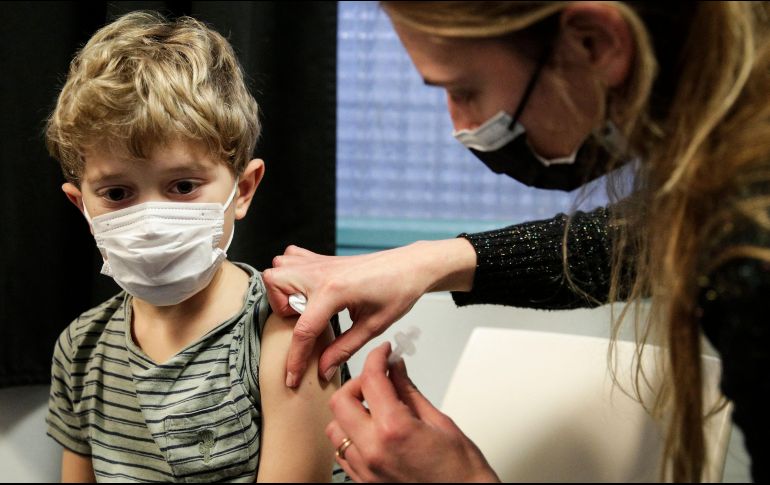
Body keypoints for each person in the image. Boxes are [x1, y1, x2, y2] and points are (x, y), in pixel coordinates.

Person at [263, 1, 770, 482]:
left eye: (464, 90)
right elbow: (641, 243)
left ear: (594, 43)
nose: (460, 126)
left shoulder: (750, 248)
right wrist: (427, 262)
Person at [44, 11, 343, 483]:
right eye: (117, 194)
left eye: (183, 186)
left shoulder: (286, 332)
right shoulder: (81, 349)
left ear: (243, 190)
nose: (149, 221)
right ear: (81, 205)